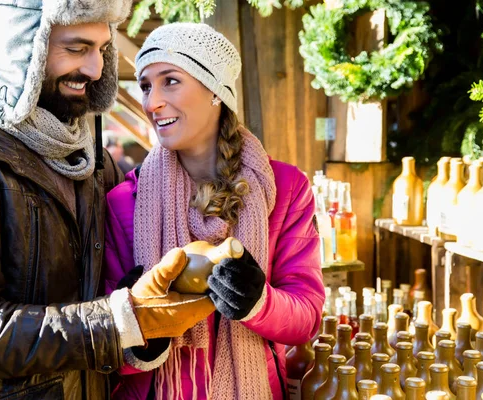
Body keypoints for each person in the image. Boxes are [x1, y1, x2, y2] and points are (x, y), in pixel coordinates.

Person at [0, 2, 214, 399]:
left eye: (101, 49)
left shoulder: (94, 164)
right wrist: (119, 321)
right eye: (77, 49)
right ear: (22, 48)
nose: (96, 69)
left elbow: (120, 288)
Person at [104, 23, 325, 399]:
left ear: (215, 91)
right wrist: (140, 333)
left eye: (170, 81)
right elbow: (104, 337)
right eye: (145, 86)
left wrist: (260, 301)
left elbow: (308, 318)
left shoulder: (285, 189)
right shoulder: (126, 200)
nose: (152, 102)